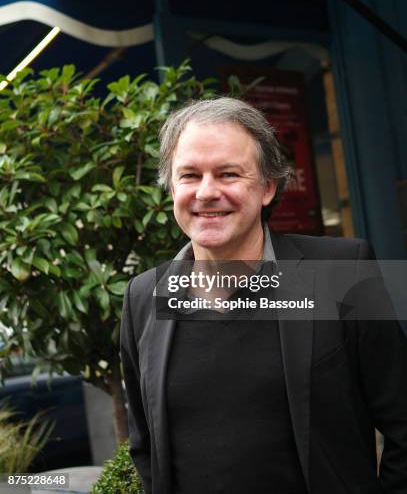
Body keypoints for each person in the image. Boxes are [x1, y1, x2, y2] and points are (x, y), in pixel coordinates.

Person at [120, 97, 407, 494]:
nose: (206, 192)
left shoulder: (343, 271)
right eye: (189, 175)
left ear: (268, 187)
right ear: (171, 187)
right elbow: (144, 445)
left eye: (228, 174)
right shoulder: (143, 296)